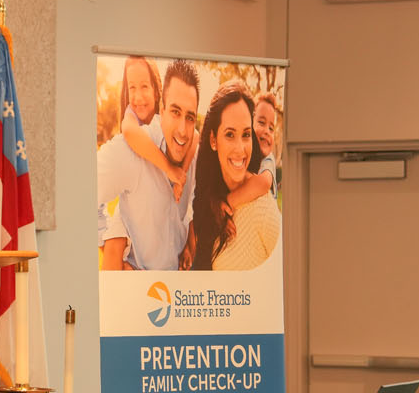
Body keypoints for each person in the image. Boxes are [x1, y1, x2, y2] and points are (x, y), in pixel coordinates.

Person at [97, 60, 201, 271]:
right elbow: (82, 192)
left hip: (180, 295)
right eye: (174, 112)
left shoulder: (194, 150)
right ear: (162, 109)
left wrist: (189, 238)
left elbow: (192, 203)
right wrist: (108, 240)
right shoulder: (130, 151)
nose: (182, 129)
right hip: (140, 294)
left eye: (190, 117)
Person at [191, 81, 282, 270]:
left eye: (246, 135)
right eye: (230, 135)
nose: (240, 149)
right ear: (213, 140)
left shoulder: (262, 209)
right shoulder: (209, 203)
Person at [255, 92, 281, 196]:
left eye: (271, 128)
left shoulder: (268, 159)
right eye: (261, 122)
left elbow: (264, 183)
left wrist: (229, 200)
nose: (267, 131)